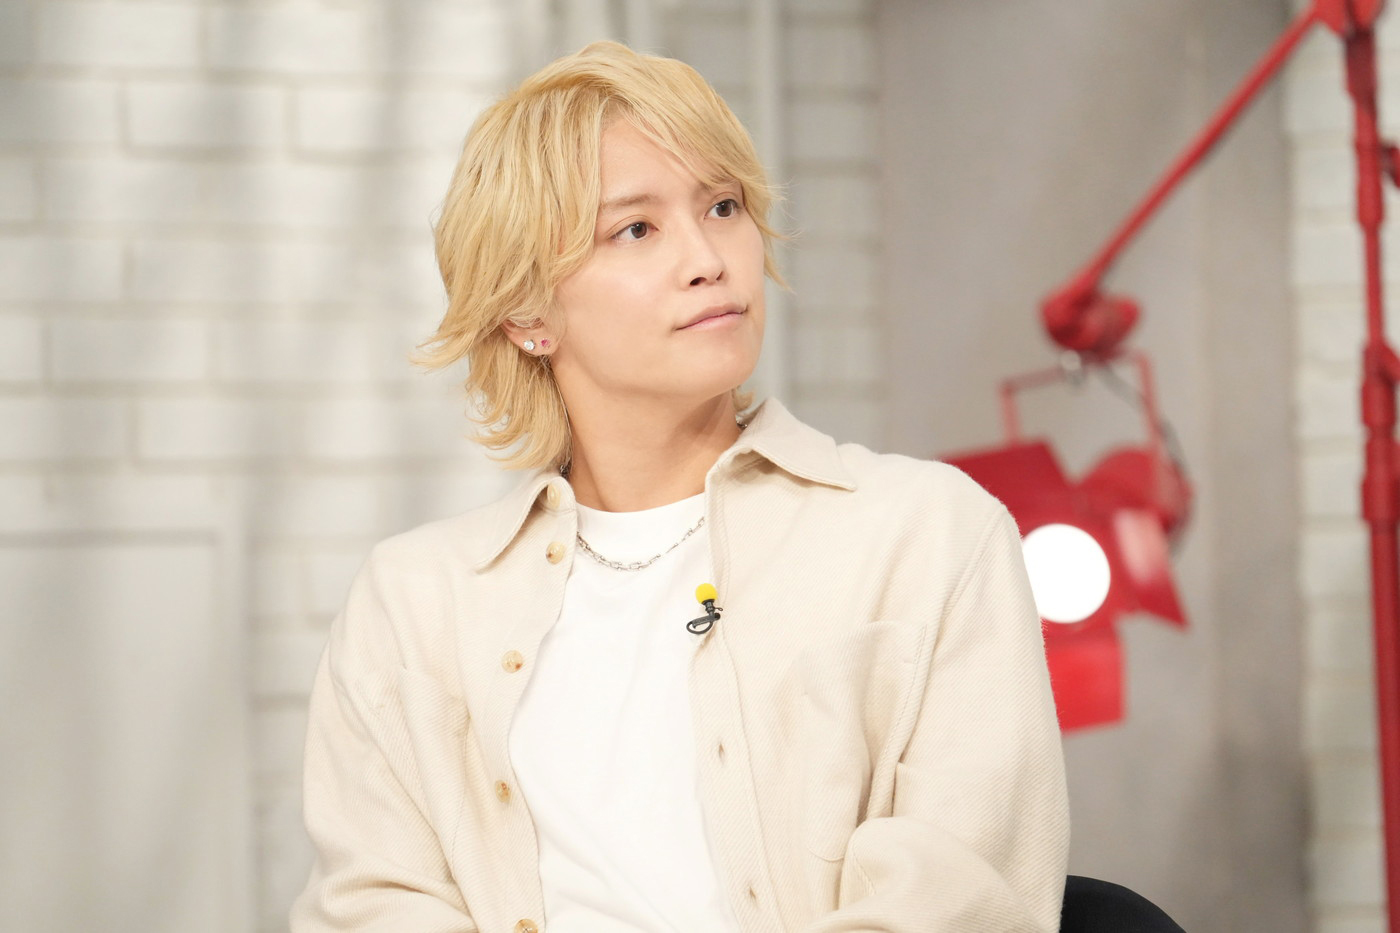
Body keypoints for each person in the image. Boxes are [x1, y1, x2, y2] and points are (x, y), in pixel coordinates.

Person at [291, 40, 1069, 933]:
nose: (708, 258)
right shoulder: (412, 603)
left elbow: (963, 893)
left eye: (723, 206)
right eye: (636, 229)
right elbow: (374, 903)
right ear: (527, 312)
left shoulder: (928, 534)